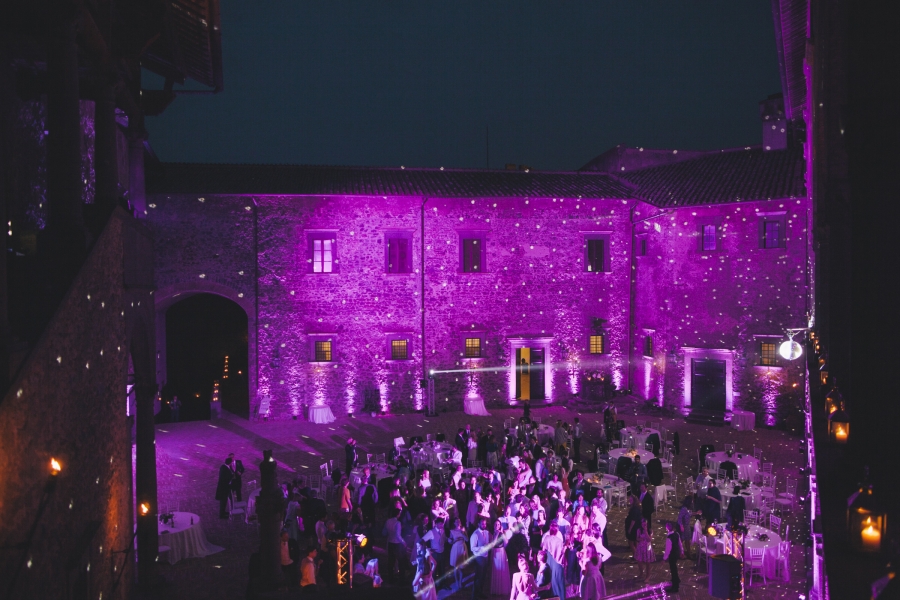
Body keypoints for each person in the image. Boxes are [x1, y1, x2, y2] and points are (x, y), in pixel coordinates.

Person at [470, 518, 491, 599]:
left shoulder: (486, 532)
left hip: (486, 557)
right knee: (478, 577)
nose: (484, 525)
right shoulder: (475, 534)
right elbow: (472, 548)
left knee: (483, 576)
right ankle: (474, 595)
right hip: (479, 558)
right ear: (478, 524)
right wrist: (482, 547)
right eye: (482, 523)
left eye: (485, 524)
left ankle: (480, 592)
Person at [491, 519, 512, 595]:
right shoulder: (492, 534)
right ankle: (496, 589)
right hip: (494, 552)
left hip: (501, 552)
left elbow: (506, 544)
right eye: (496, 524)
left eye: (498, 524)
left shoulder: (502, 534)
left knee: (502, 570)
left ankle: (502, 589)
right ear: (494, 526)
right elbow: (493, 544)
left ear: (500, 526)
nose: (497, 526)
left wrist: (502, 534)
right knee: (496, 569)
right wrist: (496, 533)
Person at [448, 518, 469, 591]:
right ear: (454, 523)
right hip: (455, 548)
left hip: (462, 547)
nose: (458, 522)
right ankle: (457, 581)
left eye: (459, 521)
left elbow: (467, 539)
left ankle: (460, 582)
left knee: (461, 567)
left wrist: (462, 533)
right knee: (456, 567)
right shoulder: (452, 531)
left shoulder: (463, 529)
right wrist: (451, 540)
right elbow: (450, 541)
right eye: (456, 521)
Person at [663, 521, 683, 593]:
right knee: (674, 567)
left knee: (673, 569)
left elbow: (668, 549)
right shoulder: (676, 534)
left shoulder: (669, 538)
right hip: (677, 553)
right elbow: (680, 544)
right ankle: (677, 579)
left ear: (667, 528)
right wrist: (682, 551)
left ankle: (675, 586)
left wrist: (664, 559)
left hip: (672, 555)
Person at [634, 517, 656, 581]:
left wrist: (646, 531)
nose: (644, 525)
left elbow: (649, 539)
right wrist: (640, 539)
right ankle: (641, 573)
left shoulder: (650, 531)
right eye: (643, 524)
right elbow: (637, 538)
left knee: (648, 562)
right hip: (640, 547)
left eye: (645, 524)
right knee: (639, 561)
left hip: (647, 548)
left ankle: (647, 576)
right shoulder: (639, 530)